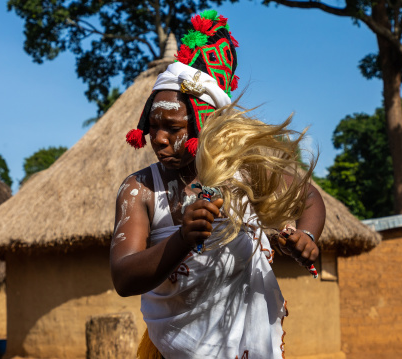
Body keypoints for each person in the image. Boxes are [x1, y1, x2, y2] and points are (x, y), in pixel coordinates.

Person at [110, 10, 326, 359]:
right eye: (153, 125)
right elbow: (123, 277)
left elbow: (309, 197)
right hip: (171, 351)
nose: (160, 139)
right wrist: (182, 238)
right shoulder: (140, 190)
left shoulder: (245, 174)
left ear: (204, 125)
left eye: (174, 128)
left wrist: (308, 238)